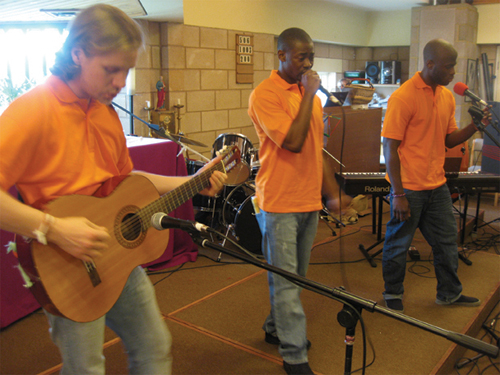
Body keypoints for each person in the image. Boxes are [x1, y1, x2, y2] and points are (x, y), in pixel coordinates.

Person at [0, 4, 226, 374]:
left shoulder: (105, 113)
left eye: (127, 70)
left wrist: (193, 181)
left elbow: (128, 184)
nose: (121, 82)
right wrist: (54, 228)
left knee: (154, 347)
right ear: (78, 54)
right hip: (65, 267)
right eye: (111, 69)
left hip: (117, 259)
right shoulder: (31, 111)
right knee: (86, 369)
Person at [248, 27, 349, 375]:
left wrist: (331, 191)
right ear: (281, 56)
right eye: (301, 57)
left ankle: (275, 328)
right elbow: (291, 142)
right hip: (278, 203)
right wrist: (308, 96)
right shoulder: (265, 94)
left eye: (312, 56)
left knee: (296, 278)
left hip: (308, 201)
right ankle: (294, 355)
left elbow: (313, 148)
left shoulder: (312, 98)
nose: (308, 63)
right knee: (288, 282)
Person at [381, 38, 491, 313]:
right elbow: (389, 148)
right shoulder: (404, 96)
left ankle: (449, 293)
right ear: (429, 64)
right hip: (408, 188)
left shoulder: (445, 96)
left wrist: (475, 126)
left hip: (437, 184)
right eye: (449, 66)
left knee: (446, 243)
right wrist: (398, 193)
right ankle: (392, 293)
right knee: (398, 244)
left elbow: (450, 140)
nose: (453, 72)